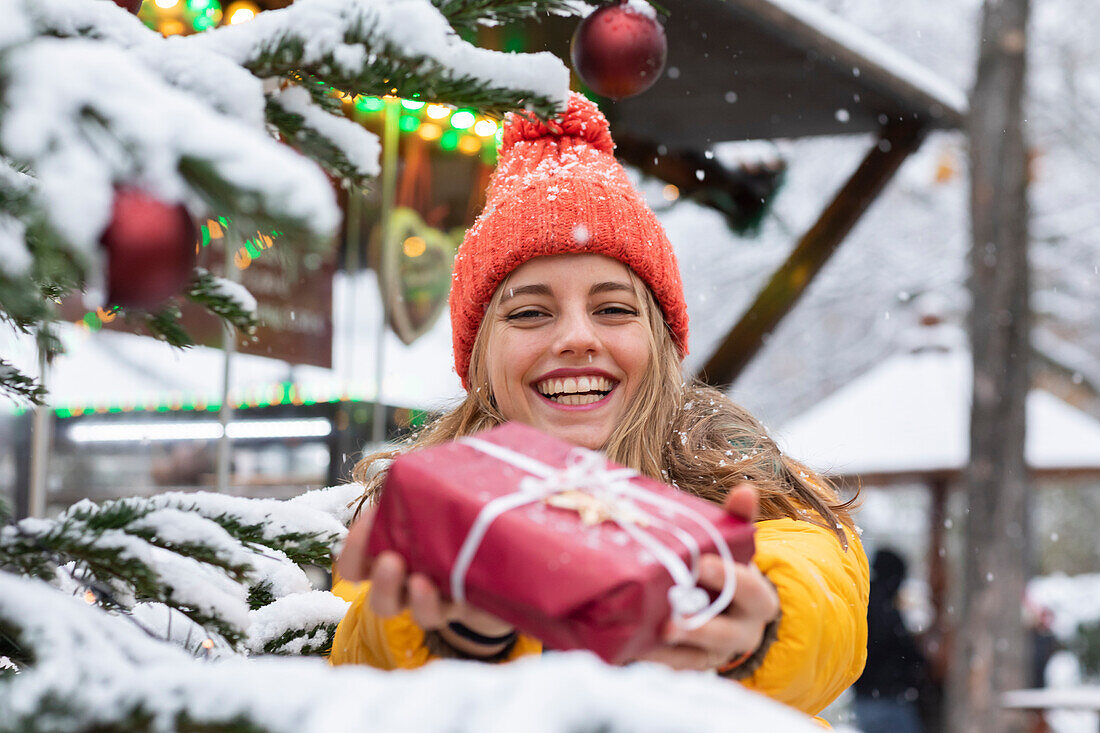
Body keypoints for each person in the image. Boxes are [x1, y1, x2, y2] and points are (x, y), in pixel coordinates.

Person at [331, 92, 869, 722]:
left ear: (660, 345)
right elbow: (362, 658)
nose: (576, 337)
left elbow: (821, 601)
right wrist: (461, 635)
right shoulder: (418, 515)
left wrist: (752, 624)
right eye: (530, 312)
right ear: (480, 360)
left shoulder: (757, 488)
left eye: (613, 308)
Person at [854, 549, 927, 733]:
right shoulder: (886, 609)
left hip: (863, 700)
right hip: (889, 701)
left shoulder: (862, 601)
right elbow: (906, 652)